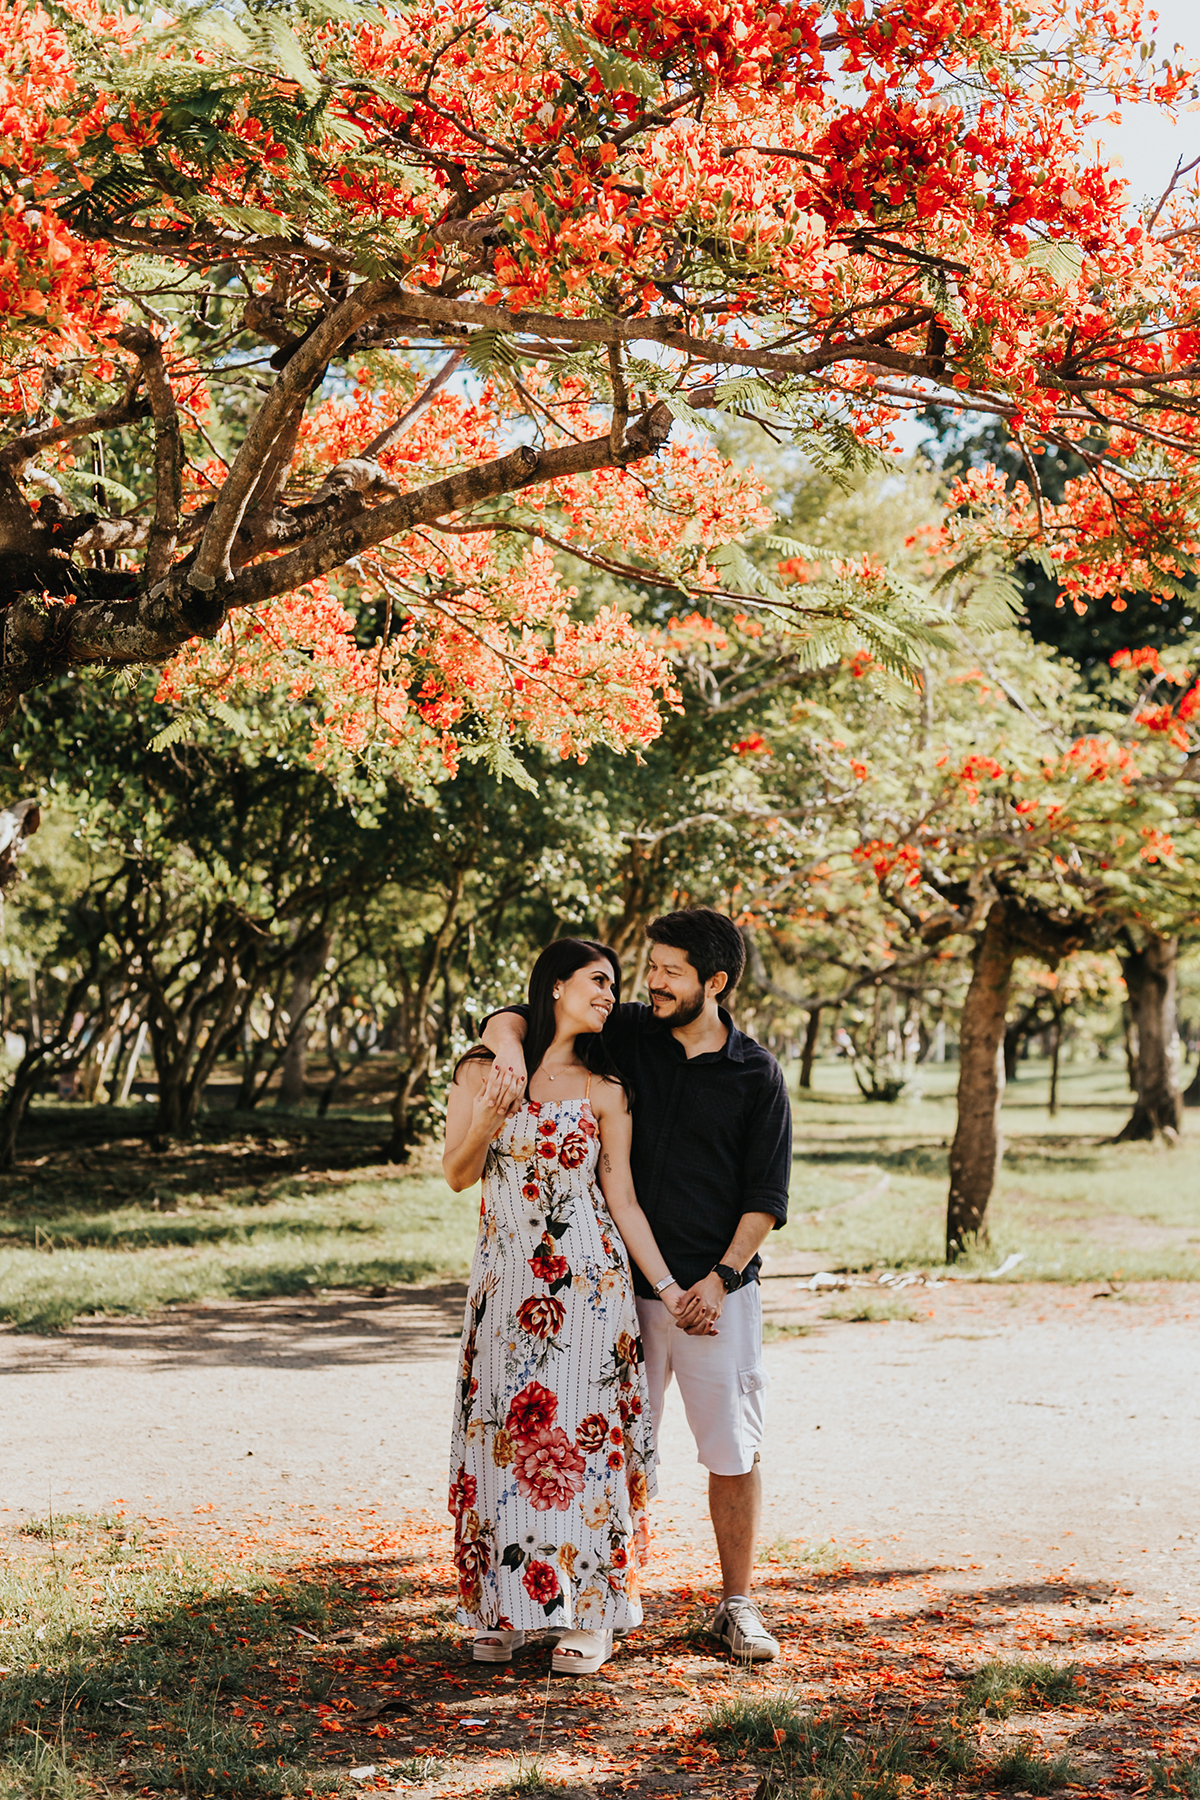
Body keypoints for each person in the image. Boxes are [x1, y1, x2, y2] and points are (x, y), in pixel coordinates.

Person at [482, 907, 792, 1662]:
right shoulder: (627, 1031)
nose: (651, 982)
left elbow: (766, 1201)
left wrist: (717, 1282)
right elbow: (517, 1011)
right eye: (649, 967)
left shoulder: (757, 1074)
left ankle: (736, 1604)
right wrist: (505, 1051)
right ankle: (604, 1598)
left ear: (713, 982)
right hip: (616, 1294)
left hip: (715, 1296)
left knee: (731, 1449)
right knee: (608, 1452)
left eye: (669, 971)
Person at [443, 937, 697, 1675]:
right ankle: (503, 1611)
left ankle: (590, 1614)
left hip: (589, 1293)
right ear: (554, 986)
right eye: (597, 980)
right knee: (503, 1441)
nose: (611, 993)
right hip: (503, 1287)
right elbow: (458, 1175)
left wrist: (671, 1287)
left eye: (615, 984)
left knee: (581, 1451)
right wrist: (493, 1113)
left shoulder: (606, 1089)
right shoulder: (483, 1069)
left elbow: (621, 1199)